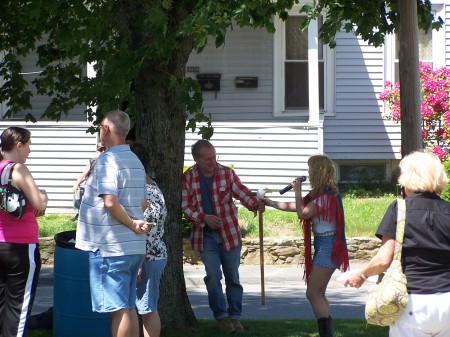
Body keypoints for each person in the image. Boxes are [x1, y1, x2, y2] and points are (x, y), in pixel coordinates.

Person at [344, 151, 450, 337]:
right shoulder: (447, 210)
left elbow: (384, 259)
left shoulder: (400, 209)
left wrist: (361, 274)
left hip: (413, 302)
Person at [75, 110, 149, 337]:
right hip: (133, 247)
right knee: (127, 307)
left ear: (106, 129)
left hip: (112, 248)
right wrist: (134, 224)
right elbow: (143, 203)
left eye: (100, 128)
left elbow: (109, 202)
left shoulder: (108, 160)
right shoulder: (135, 160)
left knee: (118, 310)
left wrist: (131, 224)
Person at [181, 139, 264, 333]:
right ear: (197, 160)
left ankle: (235, 316)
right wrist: (204, 218)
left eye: (214, 157)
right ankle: (221, 316)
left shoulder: (226, 173)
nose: (213, 162)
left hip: (229, 233)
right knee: (213, 276)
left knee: (233, 277)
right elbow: (185, 207)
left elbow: (241, 193)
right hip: (205, 235)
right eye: (208, 159)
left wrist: (254, 204)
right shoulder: (189, 178)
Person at [263, 154, 349, 337]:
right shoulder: (320, 195)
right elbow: (298, 206)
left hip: (328, 245)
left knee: (313, 294)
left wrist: (297, 189)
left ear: (318, 172)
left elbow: (302, 213)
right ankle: (328, 334)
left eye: (311, 170)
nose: (308, 174)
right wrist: (271, 203)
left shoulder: (326, 197)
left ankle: (326, 335)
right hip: (325, 244)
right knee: (319, 293)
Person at [0, 126, 48, 337]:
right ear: (18, 145)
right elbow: (39, 203)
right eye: (28, 145)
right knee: (18, 306)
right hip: (21, 247)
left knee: (2, 304)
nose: (30, 150)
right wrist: (43, 195)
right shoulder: (17, 170)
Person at [129, 141, 167, 337]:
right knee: (143, 308)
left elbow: (145, 229)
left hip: (148, 258)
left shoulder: (146, 191)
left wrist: (140, 261)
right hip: (153, 255)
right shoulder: (150, 184)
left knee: (147, 309)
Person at [71, 142, 105, 221]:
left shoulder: (101, 161)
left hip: (96, 186)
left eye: (103, 149)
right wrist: (76, 184)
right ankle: (78, 213)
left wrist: (76, 184)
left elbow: (84, 176)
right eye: (100, 149)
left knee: (79, 190)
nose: (101, 151)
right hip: (94, 185)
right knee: (78, 190)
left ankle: (79, 213)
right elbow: (83, 176)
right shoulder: (93, 161)